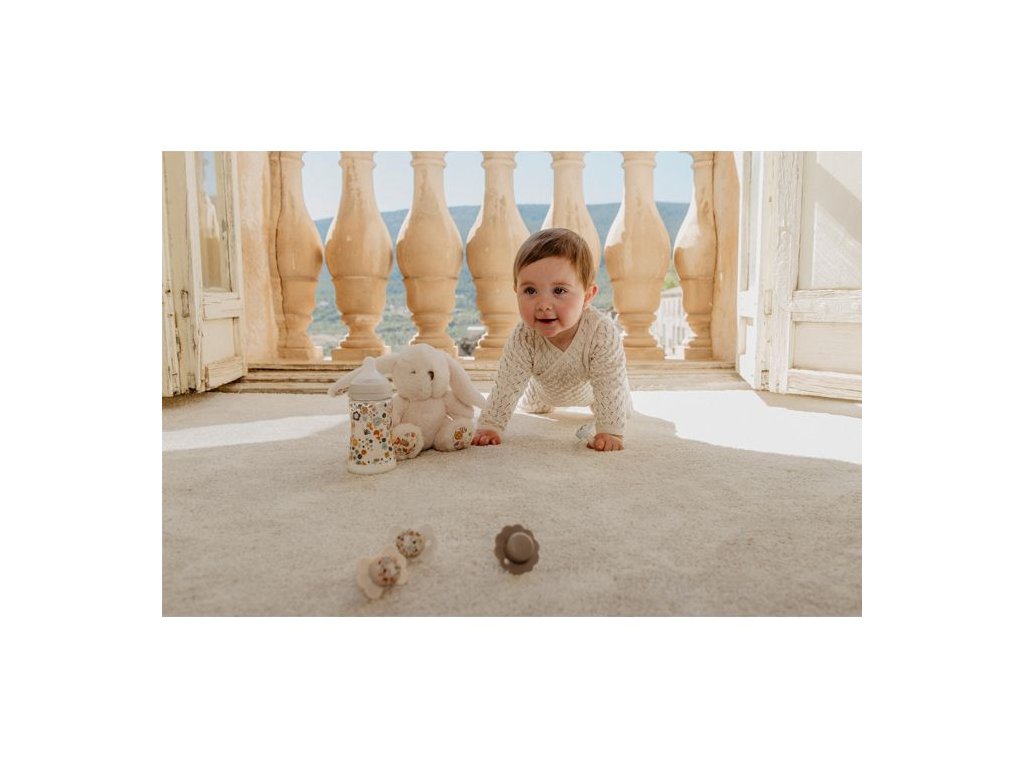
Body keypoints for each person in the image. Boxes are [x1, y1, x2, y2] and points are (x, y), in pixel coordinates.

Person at [471, 227, 631, 452]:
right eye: (530, 291)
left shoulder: (601, 332)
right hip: (542, 390)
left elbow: (608, 382)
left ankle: (617, 410)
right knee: (531, 406)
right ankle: (538, 399)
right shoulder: (524, 336)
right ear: (516, 291)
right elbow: (507, 383)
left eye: (559, 291)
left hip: (593, 391)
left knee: (618, 407)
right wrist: (490, 425)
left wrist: (610, 431)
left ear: (587, 296)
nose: (543, 305)